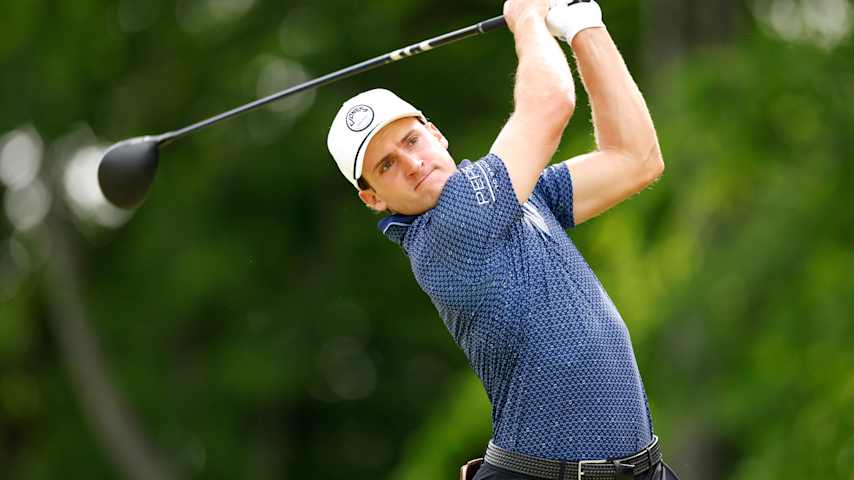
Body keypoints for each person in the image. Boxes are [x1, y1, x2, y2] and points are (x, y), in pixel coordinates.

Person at [327, 0, 679, 478]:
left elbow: (636, 158)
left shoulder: (519, 197)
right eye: (385, 165)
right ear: (373, 199)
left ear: (436, 133)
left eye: (410, 141)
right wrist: (528, 16)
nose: (410, 164)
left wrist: (583, 25)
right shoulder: (446, 233)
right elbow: (551, 103)